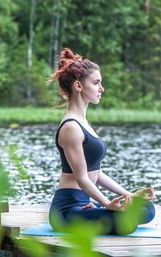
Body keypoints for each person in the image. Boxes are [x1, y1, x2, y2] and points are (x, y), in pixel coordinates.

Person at [47, 48, 155, 235]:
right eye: (96, 83)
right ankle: (96, 212)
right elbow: (82, 178)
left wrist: (127, 195)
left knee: (147, 210)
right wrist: (106, 204)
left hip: (87, 200)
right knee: (127, 222)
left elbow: (97, 173)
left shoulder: (84, 123)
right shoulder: (71, 127)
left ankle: (97, 211)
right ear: (79, 86)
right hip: (68, 210)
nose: (101, 89)